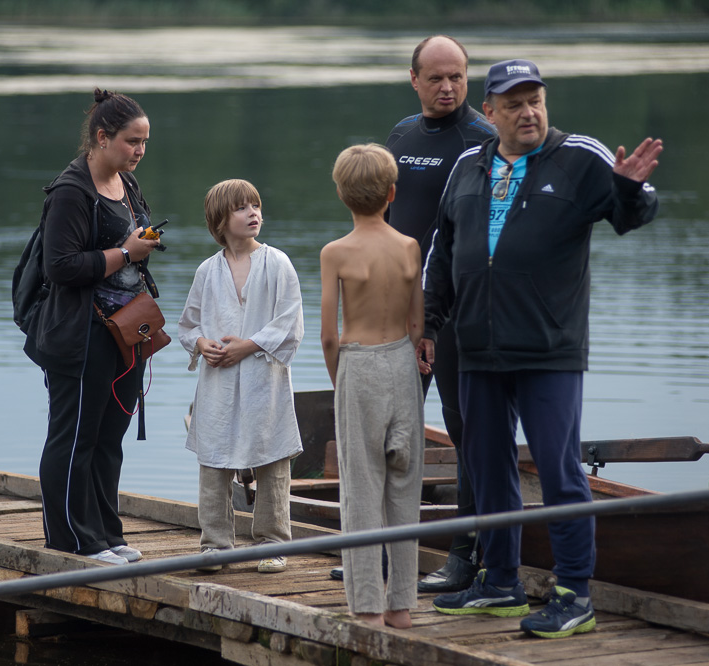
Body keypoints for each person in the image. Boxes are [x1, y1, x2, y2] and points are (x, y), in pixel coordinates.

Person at [421, 59, 663, 638]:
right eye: (514, 103)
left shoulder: (578, 156)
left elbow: (635, 213)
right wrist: (428, 322)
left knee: (558, 468)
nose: (528, 112)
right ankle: (501, 580)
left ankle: (573, 593)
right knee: (487, 463)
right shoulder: (468, 165)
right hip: (477, 343)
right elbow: (443, 247)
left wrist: (629, 191)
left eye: (536, 100)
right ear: (491, 113)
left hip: (548, 346)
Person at [330, 34, 496, 592]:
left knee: (464, 430)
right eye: (436, 78)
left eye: (458, 77)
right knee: (379, 437)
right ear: (414, 79)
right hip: (396, 316)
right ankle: (370, 553)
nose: (447, 87)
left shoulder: (484, 139)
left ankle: (463, 557)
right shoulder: (401, 135)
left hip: (455, 312)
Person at [23, 89, 161, 565]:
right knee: (74, 438)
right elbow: (60, 267)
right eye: (132, 141)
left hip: (124, 333)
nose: (140, 150)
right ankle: (71, 540)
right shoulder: (71, 191)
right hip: (79, 336)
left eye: (144, 141)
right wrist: (125, 253)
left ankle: (106, 534)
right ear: (102, 138)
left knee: (108, 439)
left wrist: (142, 243)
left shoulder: (126, 182)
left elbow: (128, 241)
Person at [320, 144, 426, 628]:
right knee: (405, 485)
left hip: (357, 365)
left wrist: (339, 381)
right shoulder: (409, 247)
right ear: (392, 193)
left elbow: (328, 334)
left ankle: (365, 605)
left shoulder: (335, 253)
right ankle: (401, 606)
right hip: (403, 360)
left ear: (342, 195)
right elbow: (417, 323)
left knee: (361, 491)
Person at [178, 179, 305, 575]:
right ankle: (215, 544)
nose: (253, 213)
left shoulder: (277, 263)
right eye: (242, 208)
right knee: (214, 461)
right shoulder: (207, 270)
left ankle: (271, 541)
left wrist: (247, 345)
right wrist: (202, 343)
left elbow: (290, 323)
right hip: (217, 381)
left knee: (271, 458)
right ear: (220, 220)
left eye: (256, 205)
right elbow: (187, 324)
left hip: (263, 377)